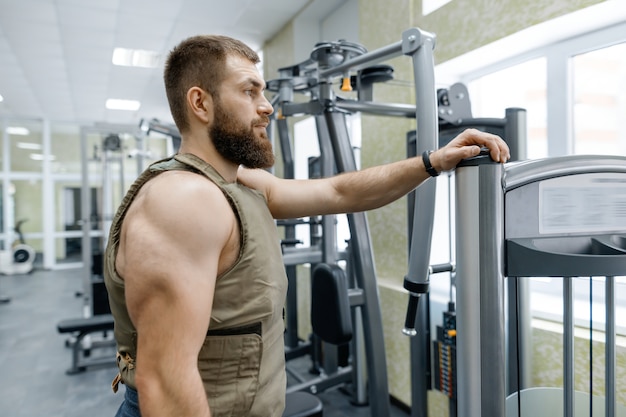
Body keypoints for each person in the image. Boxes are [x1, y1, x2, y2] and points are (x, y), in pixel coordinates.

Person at [104, 34, 510, 417]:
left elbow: (338, 193)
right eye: (249, 91)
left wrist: (433, 162)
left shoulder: (237, 183)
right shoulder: (183, 200)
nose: (267, 106)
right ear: (200, 103)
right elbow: (166, 383)